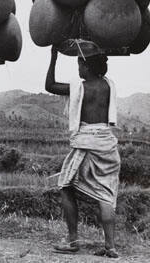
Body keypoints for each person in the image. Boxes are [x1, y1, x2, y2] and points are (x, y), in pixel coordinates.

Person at [45, 46, 120, 259]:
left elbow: (49, 85)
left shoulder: (81, 87)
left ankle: (72, 240)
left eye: (79, 64)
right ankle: (110, 246)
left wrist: (53, 58)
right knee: (105, 195)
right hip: (108, 143)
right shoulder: (109, 85)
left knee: (66, 186)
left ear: (86, 66)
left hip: (86, 142)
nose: (78, 69)